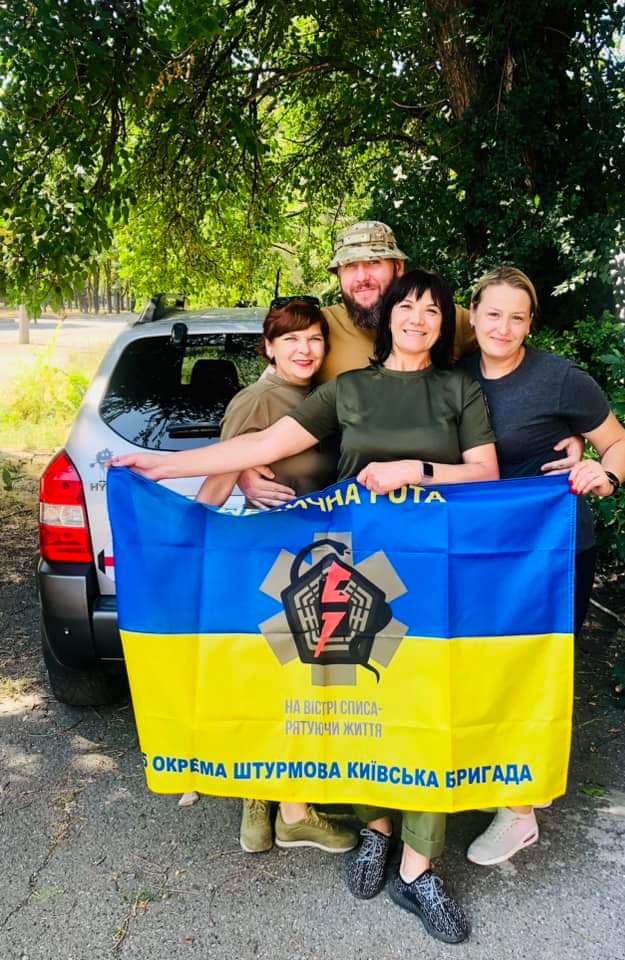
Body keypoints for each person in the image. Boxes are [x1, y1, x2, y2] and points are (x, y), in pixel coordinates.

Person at [112, 269, 500, 944]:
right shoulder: (348, 390)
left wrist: (414, 471)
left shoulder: (458, 387)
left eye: (433, 310)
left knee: (426, 714)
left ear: (444, 324)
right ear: (388, 317)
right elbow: (263, 446)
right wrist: (161, 468)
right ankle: (376, 832)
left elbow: (486, 472)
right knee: (362, 712)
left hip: (434, 580)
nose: (418, 318)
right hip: (358, 578)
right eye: (407, 306)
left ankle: (418, 870)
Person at [459, 266, 625, 869]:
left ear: (530, 323)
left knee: (533, 673)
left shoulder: (561, 379)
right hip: (479, 549)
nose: (503, 327)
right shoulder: (453, 374)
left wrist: (602, 472)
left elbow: (620, 444)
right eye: (493, 314)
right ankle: (487, 774)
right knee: (482, 668)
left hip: (552, 550)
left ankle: (520, 813)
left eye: (517, 317)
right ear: (473, 316)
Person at [240, 220, 582, 508]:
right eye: (350, 267)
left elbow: (510, 355)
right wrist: (242, 466)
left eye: (374, 263)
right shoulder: (321, 327)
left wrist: (563, 428)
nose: (362, 276)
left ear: (398, 268)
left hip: (433, 513)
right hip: (339, 504)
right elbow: (273, 386)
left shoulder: (446, 319)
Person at [193, 297, 356, 856]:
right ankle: (293, 815)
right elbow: (216, 479)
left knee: (296, 684)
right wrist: (197, 533)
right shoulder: (258, 399)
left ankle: (260, 808)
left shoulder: (324, 397)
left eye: (313, 338)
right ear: (268, 347)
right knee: (286, 684)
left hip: (322, 561)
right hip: (275, 563)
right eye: (290, 339)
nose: (304, 349)